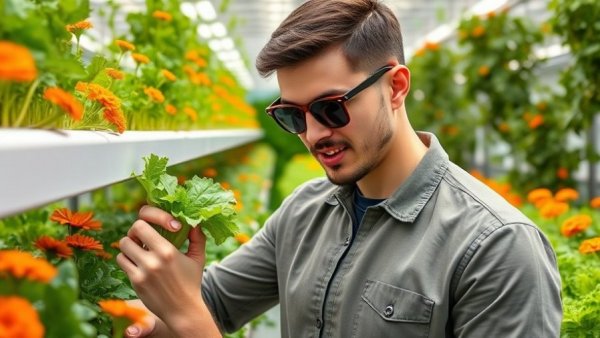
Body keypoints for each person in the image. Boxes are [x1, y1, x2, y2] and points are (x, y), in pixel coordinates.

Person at [117, 0, 562, 337]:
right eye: (292, 116)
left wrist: (190, 319)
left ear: (396, 87)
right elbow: (208, 302)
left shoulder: (497, 248)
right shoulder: (303, 213)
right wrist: (152, 298)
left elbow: (196, 318)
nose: (312, 134)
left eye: (330, 108)